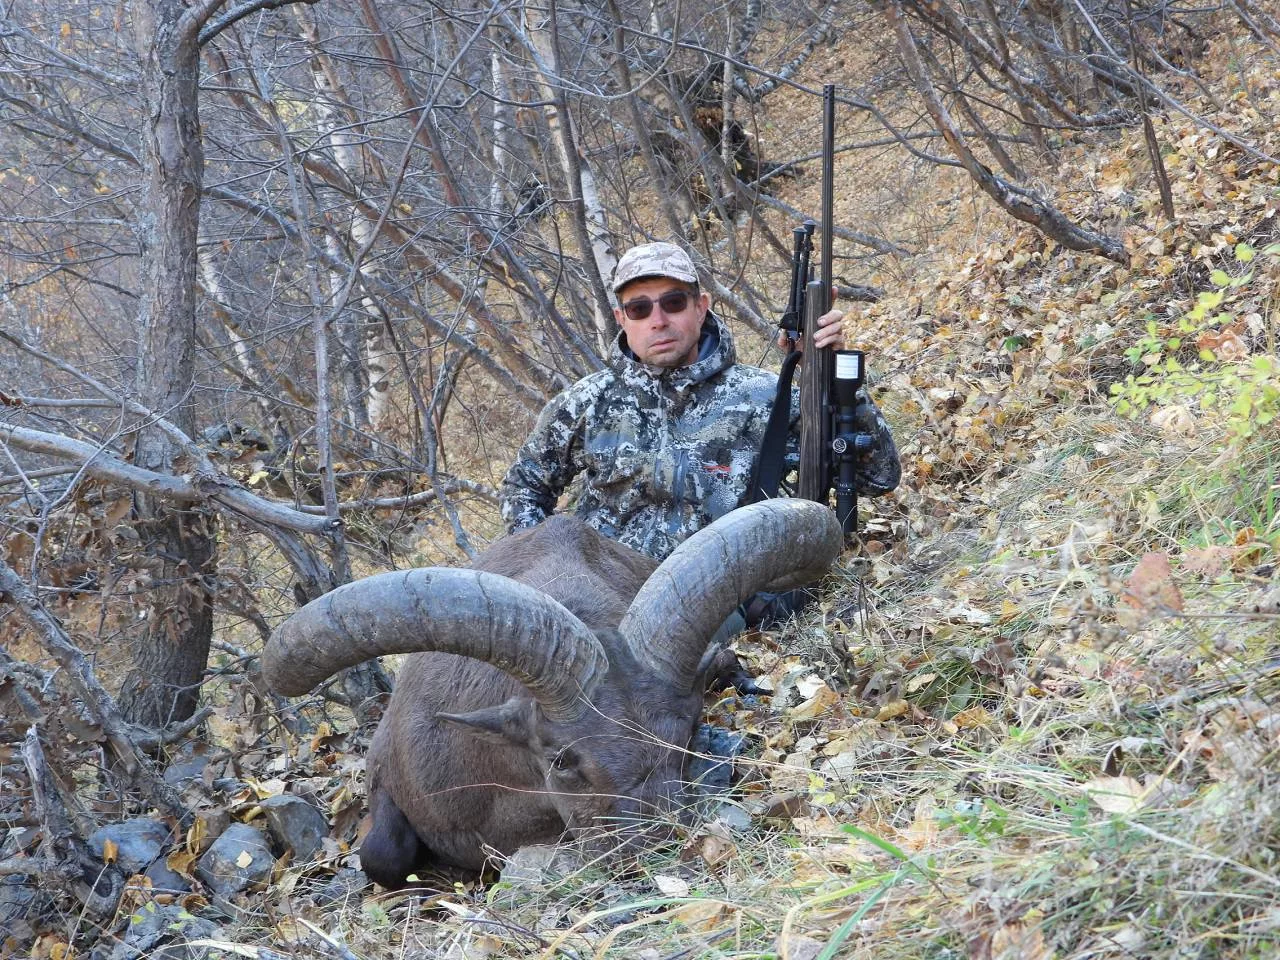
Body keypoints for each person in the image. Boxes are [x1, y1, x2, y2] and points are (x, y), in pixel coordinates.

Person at [499, 241, 900, 628]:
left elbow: (879, 476)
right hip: (603, 598)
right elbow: (523, 487)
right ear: (622, 319)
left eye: (673, 302)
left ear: (701, 306)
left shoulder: (765, 399)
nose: (658, 320)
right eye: (639, 309)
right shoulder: (587, 401)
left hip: (714, 602)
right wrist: (548, 572)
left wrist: (834, 374)